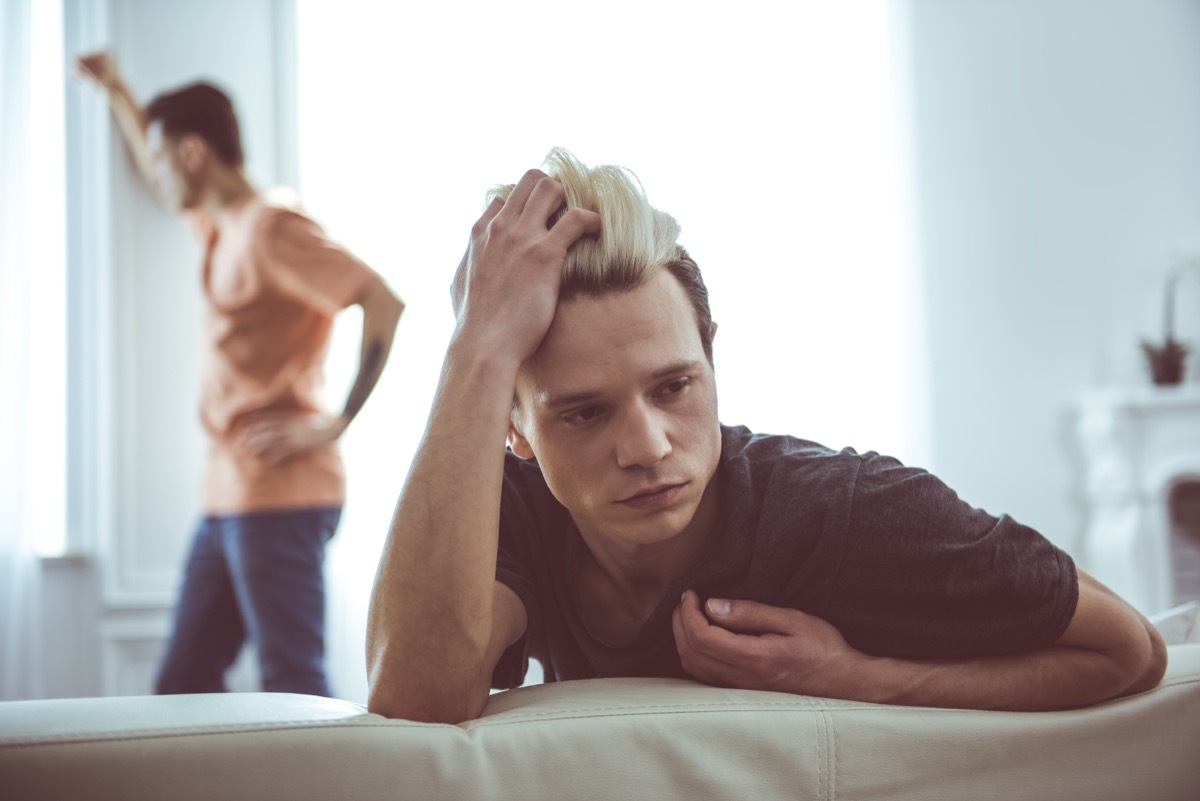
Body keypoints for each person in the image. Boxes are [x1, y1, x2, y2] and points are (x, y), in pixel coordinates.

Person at [365, 148, 1165, 723]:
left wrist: (857, 677)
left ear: (711, 360)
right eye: (583, 412)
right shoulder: (513, 511)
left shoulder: (847, 511)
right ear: (515, 427)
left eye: (673, 386)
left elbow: (1129, 650)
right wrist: (477, 351)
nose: (648, 446)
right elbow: (413, 695)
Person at [78, 52, 405, 696]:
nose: (155, 175)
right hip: (226, 493)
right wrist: (117, 87)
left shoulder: (271, 229)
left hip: (280, 493)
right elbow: (154, 161)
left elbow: (383, 301)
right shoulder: (217, 224)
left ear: (193, 152)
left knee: (294, 684)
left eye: (164, 158)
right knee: (182, 684)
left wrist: (338, 422)